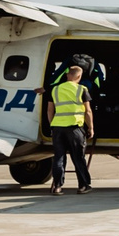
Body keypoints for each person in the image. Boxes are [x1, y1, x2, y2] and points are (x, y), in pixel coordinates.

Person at [44, 61, 95, 194]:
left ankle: (58, 187)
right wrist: (91, 128)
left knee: (59, 157)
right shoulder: (82, 89)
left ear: (67, 75)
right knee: (78, 157)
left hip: (57, 128)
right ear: (79, 77)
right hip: (75, 127)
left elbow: (50, 110)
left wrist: (52, 126)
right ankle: (83, 186)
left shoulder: (55, 89)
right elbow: (88, 111)